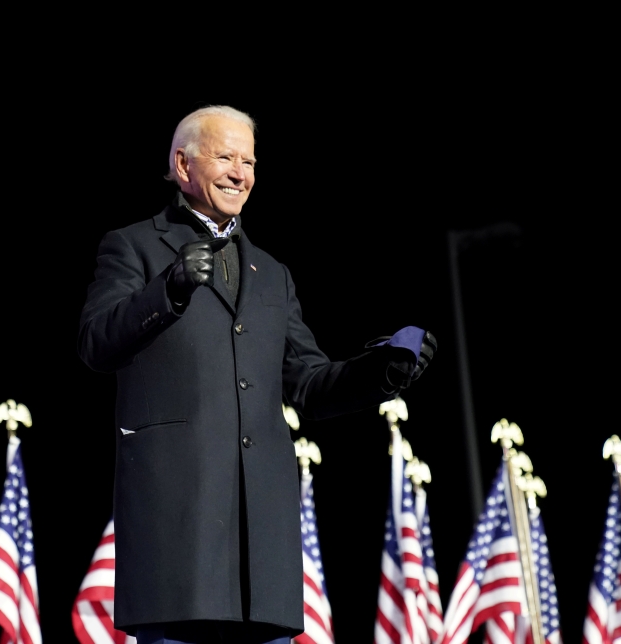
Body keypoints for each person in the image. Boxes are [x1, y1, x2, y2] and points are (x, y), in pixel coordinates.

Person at [78, 105, 436, 644]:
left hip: (262, 550)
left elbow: (309, 385)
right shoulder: (132, 246)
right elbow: (95, 343)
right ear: (182, 165)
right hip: (177, 539)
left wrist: (381, 373)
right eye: (225, 157)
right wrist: (168, 290)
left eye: (249, 161)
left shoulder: (271, 274)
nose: (240, 173)